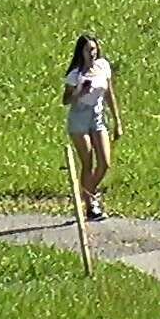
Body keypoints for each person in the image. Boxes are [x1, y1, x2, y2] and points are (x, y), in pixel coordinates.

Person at [62, 32, 118, 224]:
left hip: (97, 116)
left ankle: (87, 194)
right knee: (88, 161)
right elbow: (66, 100)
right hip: (79, 117)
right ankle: (90, 205)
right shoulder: (75, 75)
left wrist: (117, 121)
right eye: (87, 50)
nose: (91, 53)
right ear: (81, 52)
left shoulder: (103, 66)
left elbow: (109, 93)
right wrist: (79, 91)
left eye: (93, 49)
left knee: (105, 162)